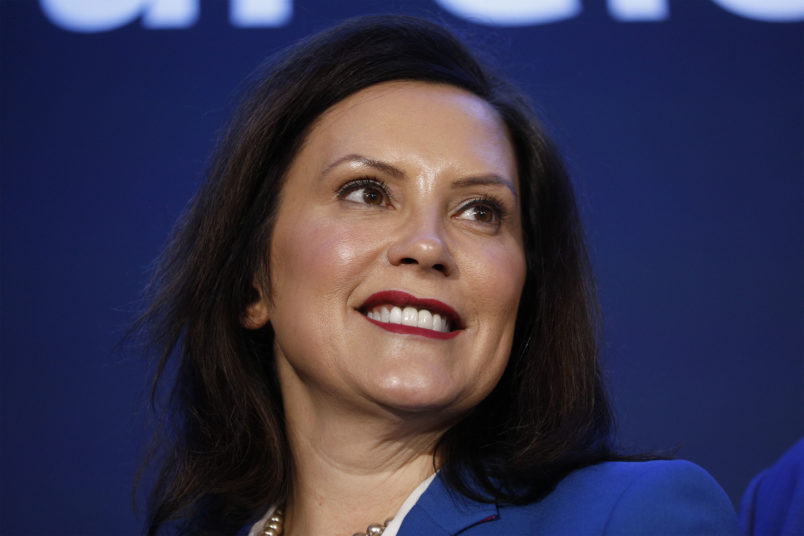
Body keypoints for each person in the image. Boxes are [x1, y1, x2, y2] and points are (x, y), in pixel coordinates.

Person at [137, 15, 741, 535]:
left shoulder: (631, 518)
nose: (428, 246)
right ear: (252, 281)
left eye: (481, 211)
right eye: (367, 192)